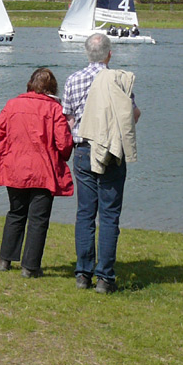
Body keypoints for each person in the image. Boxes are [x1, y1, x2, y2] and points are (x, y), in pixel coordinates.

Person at [62, 33, 140, 294]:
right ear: (110, 54)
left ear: (87, 54)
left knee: (85, 213)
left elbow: (69, 119)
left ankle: (83, 274)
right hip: (111, 151)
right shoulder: (118, 79)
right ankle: (105, 278)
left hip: (84, 149)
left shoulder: (73, 79)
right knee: (109, 215)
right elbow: (132, 114)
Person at [0, 68, 73, 277]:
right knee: (38, 219)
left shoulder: (13, 104)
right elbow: (64, 144)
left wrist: (11, 148)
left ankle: (5, 260)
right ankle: (30, 266)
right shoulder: (54, 109)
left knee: (16, 212)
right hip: (43, 170)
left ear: (30, 84)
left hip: (15, 167)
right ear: (52, 88)